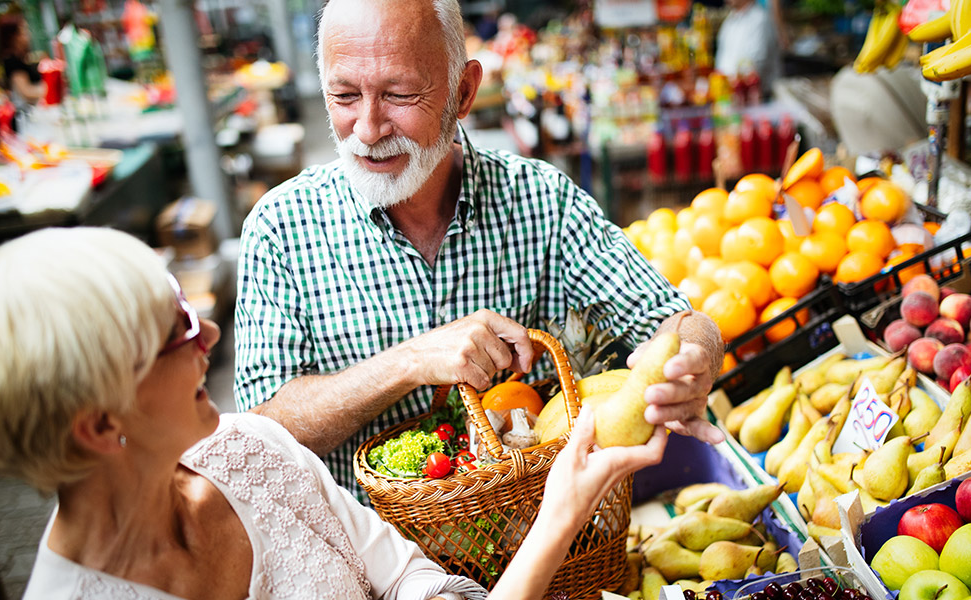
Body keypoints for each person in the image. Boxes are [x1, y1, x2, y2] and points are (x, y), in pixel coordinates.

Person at [0, 226, 668, 600]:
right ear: (101, 425)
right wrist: (557, 520)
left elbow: (407, 578)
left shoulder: (251, 451)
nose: (211, 338)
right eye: (175, 332)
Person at [235, 0, 725, 502]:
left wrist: (696, 361)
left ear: (464, 91)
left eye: (400, 94)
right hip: (367, 569)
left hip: (540, 555)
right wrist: (407, 363)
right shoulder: (282, 228)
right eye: (343, 95)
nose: (367, 129)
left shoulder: (542, 202)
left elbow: (680, 321)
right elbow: (259, 436)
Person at [714, 0, 782, 95]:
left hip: (760, 98)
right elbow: (721, 64)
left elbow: (754, 69)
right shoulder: (729, 22)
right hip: (729, 95)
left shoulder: (760, 20)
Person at [0, 17, 46, 109]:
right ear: (13, 37)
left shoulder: (21, 57)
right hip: (28, 115)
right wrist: (51, 87)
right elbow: (27, 92)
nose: (28, 34)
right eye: (23, 31)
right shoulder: (12, 61)